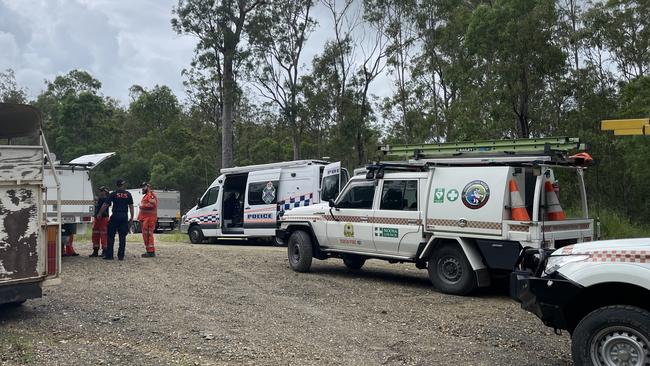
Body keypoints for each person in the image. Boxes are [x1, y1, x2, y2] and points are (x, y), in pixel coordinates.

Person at [97, 179, 134, 261]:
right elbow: (131, 206)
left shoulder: (113, 194)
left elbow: (105, 204)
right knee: (122, 237)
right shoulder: (128, 194)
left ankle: (110, 255)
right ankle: (121, 256)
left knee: (110, 236)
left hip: (115, 215)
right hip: (124, 216)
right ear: (123, 185)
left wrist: (99, 213)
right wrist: (131, 217)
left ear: (117, 185)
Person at [138, 182, 158, 258]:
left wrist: (142, 206)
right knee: (146, 236)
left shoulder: (150, 195)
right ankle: (149, 251)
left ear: (148, 187)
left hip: (149, 219)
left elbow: (153, 204)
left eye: (144, 187)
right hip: (146, 219)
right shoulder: (146, 195)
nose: (142, 188)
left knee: (149, 236)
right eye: (142, 187)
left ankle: (151, 252)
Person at [89, 186, 110, 257]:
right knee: (95, 234)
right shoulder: (100, 199)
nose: (100, 192)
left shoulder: (106, 199)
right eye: (100, 191)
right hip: (97, 219)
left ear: (105, 191)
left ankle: (105, 251)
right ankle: (95, 250)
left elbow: (106, 205)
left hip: (103, 219)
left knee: (104, 235)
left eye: (101, 191)